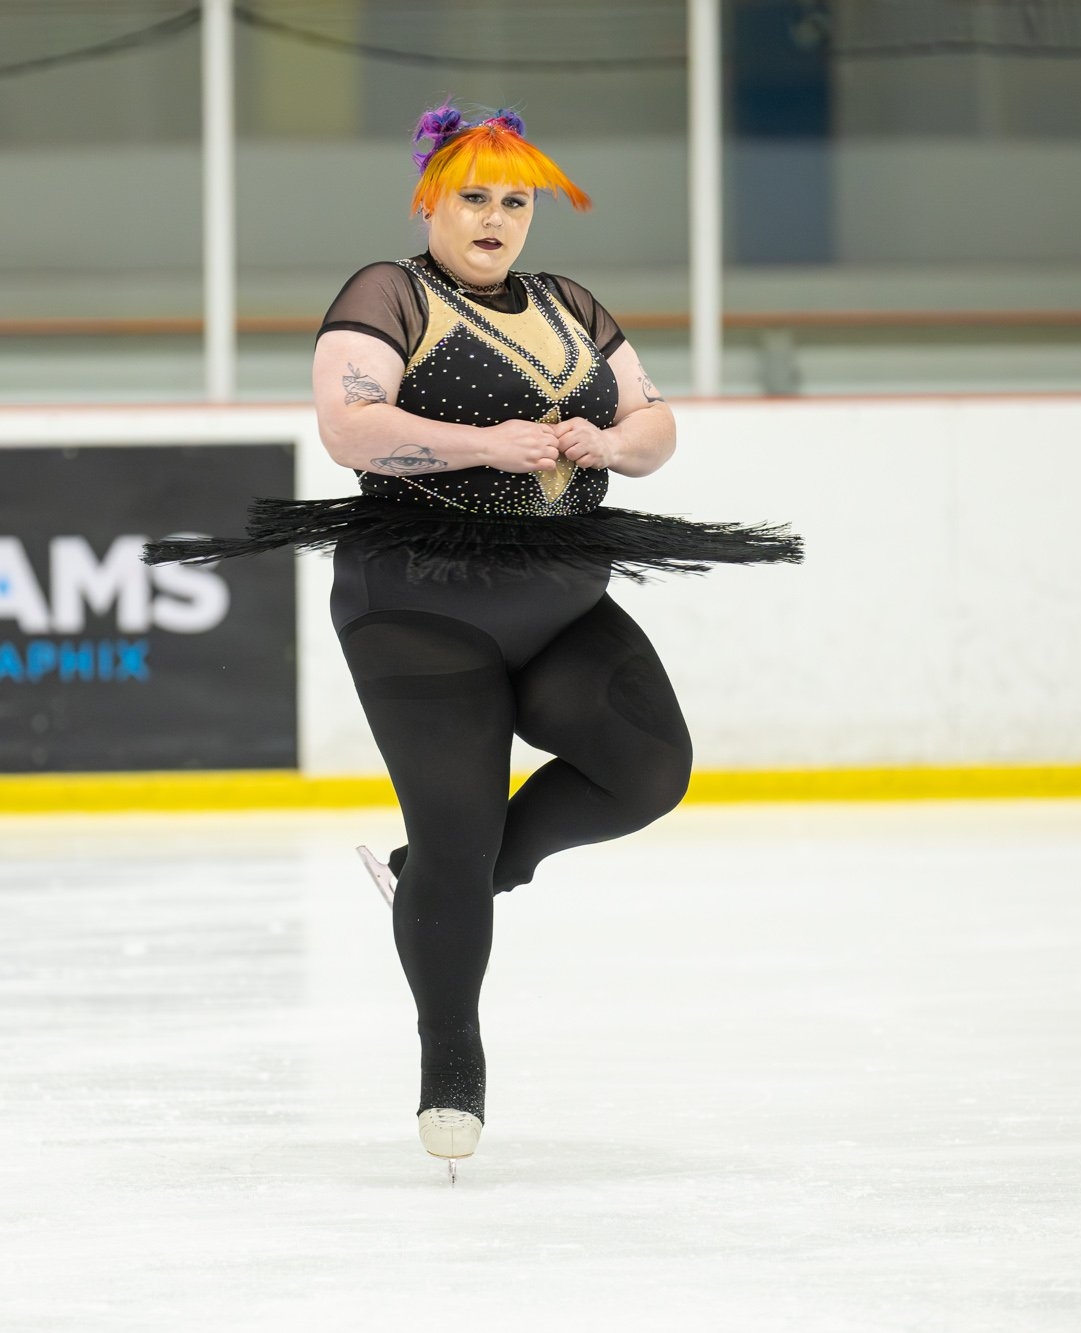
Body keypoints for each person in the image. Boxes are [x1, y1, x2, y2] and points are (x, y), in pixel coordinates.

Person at [146, 102, 800, 1175]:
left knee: (649, 769)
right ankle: (450, 1056)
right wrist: (483, 445)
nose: (496, 218)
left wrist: (612, 444)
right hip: (420, 606)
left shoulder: (571, 305)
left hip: (561, 596)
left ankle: (447, 877)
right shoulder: (387, 294)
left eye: (515, 201)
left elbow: (655, 423)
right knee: (456, 834)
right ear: (429, 203)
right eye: (474, 198)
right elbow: (349, 427)